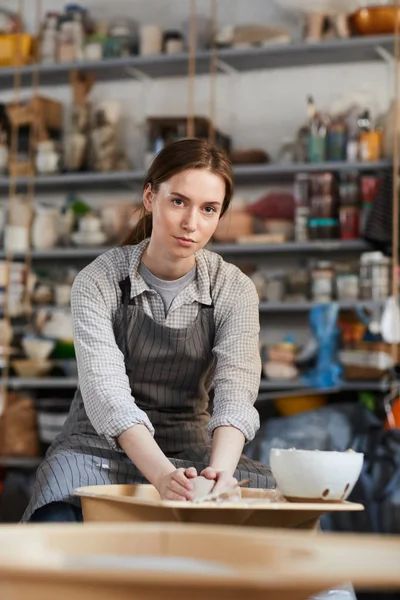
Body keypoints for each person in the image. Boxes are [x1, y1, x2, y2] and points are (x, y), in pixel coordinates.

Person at [23, 138, 275, 523]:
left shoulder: (232, 287)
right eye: (178, 202)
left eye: (209, 209)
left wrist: (219, 475)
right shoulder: (98, 280)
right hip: (97, 449)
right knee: (55, 515)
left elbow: (236, 391)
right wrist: (161, 476)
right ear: (149, 197)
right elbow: (107, 394)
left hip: (192, 449)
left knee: (279, 510)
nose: (192, 222)